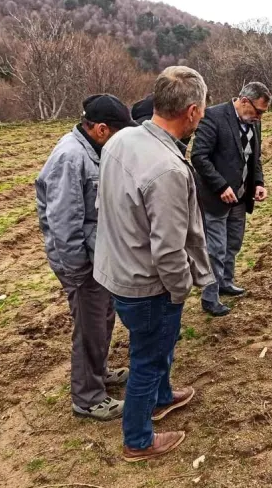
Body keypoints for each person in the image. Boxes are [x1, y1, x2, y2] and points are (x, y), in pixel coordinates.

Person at [94, 66, 215, 461]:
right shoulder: (167, 169)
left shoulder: (123, 139)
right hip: (148, 286)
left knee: (157, 349)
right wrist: (180, 290)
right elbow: (168, 250)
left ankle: (163, 398)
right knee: (146, 359)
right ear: (193, 111)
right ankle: (138, 440)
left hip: (118, 269)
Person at [35, 94, 138, 421]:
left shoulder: (90, 150)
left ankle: (99, 373)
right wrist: (78, 271)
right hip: (81, 264)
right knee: (90, 326)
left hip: (97, 258)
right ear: (102, 130)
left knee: (104, 316)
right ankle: (88, 398)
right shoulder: (70, 157)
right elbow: (64, 222)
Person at [191, 82, 271, 316]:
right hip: (215, 198)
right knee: (215, 248)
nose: (259, 117)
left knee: (232, 244)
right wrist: (221, 185)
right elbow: (199, 156)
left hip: (241, 196)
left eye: (262, 113)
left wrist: (258, 183)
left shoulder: (254, 123)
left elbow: (254, 158)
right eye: (258, 111)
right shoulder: (214, 117)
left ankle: (226, 282)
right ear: (244, 101)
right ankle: (210, 297)